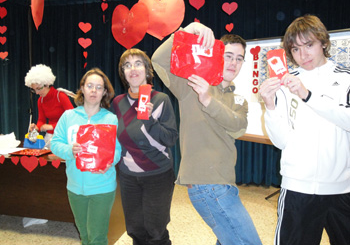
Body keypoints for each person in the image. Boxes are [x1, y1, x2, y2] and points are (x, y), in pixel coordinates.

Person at [151, 22, 261, 245]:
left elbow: (239, 127)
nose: (233, 62)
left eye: (239, 58)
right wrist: (189, 28)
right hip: (207, 184)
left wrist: (209, 101)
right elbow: (158, 60)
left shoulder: (238, 99)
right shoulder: (192, 85)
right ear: (217, 55)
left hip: (224, 181)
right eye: (229, 55)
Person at [259, 14, 350, 245]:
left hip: (342, 188)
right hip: (297, 187)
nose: (303, 55)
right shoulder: (285, 84)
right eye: (296, 49)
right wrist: (270, 106)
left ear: (323, 42)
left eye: (309, 45)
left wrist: (307, 95)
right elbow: (281, 141)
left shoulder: (346, 79)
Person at [112, 48, 178, 245]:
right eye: (127, 65)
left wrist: (150, 120)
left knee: (156, 232)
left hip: (157, 175)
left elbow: (171, 139)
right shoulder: (117, 103)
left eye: (138, 63)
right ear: (123, 73)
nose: (133, 69)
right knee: (135, 230)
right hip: (128, 176)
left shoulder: (160, 99)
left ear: (148, 70)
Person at [51, 68, 121, 245]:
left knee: (97, 237)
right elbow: (55, 143)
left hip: (102, 186)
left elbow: (117, 149)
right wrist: (69, 150)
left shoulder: (111, 119)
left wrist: (110, 162)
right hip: (74, 187)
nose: (93, 91)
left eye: (99, 87)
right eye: (90, 86)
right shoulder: (68, 116)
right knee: (84, 234)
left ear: (105, 92)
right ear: (82, 88)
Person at [24, 64, 74, 148]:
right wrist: (36, 128)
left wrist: (52, 126)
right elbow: (41, 120)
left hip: (64, 136)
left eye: (38, 88)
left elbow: (73, 118)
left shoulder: (60, 96)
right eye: (34, 89)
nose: (36, 93)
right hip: (50, 136)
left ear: (46, 84)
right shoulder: (41, 100)